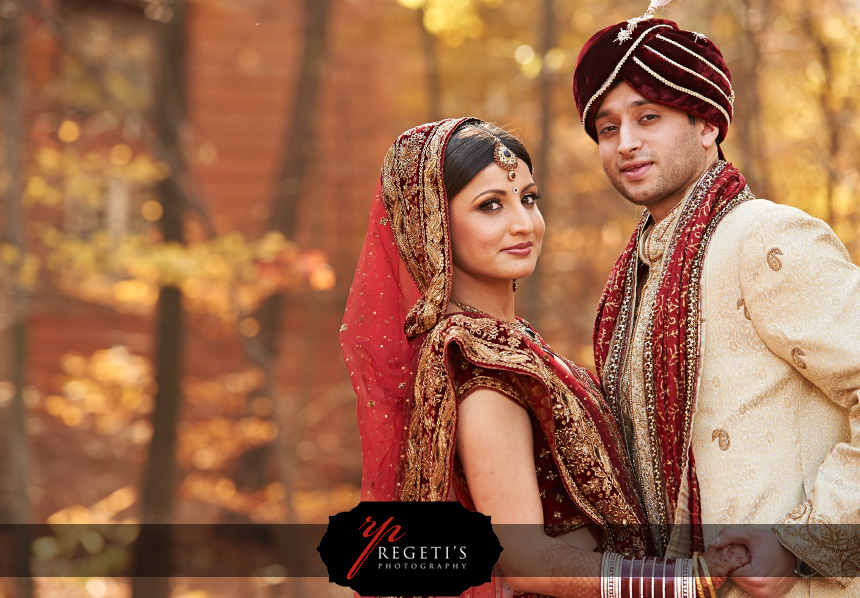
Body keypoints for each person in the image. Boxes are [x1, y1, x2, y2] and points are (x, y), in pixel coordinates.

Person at [341, 118, 747, 598]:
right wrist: (682, 582)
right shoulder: (480, 364)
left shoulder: (506, 343)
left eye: (528, 198)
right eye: (490, 205)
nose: (524, 223)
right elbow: (525, 558)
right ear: (431, 225)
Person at [572, 6, 860, 598]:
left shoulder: (765, 237)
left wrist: (801, 544)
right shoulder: (634, 277)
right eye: (607, 128)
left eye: (647, 117)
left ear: (707, 125)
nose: (625, 143)